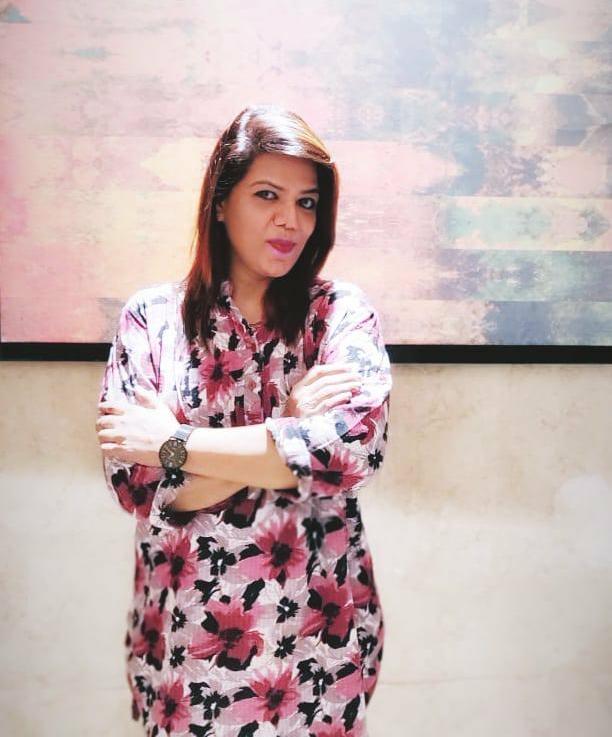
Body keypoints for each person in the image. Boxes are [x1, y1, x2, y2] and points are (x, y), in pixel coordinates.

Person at [96, 104, 392, 737]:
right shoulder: (151, 320)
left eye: (307, 203)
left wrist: (173, 444)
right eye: (267, 195)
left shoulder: (340, 314)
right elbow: (139, 489)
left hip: (321, 648)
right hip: (187, 648)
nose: (291, 220)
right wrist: (289, 431)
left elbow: (352, 452)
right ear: (221, 203)